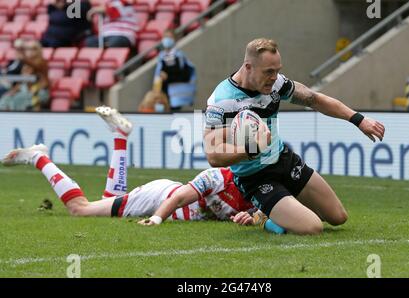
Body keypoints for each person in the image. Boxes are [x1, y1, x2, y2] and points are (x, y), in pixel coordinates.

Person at [203, 38, 386, 235]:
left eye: (277, 70)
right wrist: (253, 149)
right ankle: (263, 217)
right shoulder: (221, 102)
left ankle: (282, 208)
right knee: (313, 227)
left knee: (337, 217)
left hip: (284, 160)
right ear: (248, 67)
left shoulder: (276, 84)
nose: (274, 77)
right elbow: (213, 156)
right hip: (255, 178)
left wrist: (358, 120)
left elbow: (314, 99)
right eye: (268, 72)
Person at [1, 106, 260, 228]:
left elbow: (273, 214)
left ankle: (120, 136)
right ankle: (38, 158)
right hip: (159, 198)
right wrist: (157, 218)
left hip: (165, 198)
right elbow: (180, 196)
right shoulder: (218, 176)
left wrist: (257, 218)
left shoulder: (260, 190)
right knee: (80, 210)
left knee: (110, 200)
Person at [153, 29, 196, 111]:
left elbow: (184, 75)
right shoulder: (161, 56)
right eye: (165, 37)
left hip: (176, 95)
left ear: (174, 39)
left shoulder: (179, 56)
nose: (167, 39)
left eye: (169, 37)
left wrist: (167, 77)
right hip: (162, 94)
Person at [0, 40, 49, 111]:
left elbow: (36, 66)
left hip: (39, 92)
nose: (30, 51)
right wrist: (13, 90)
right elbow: (22, 81)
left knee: (18, 99)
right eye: (28, 48)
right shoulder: (25, 64)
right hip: (25, 90)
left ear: (39, 50)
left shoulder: (42, 62)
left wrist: (23, 58)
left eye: (33, 48)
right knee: (6, 98)